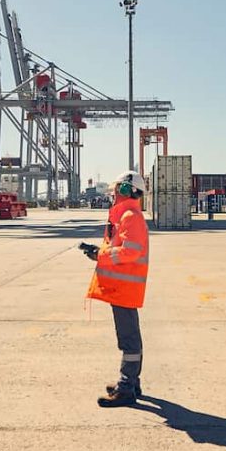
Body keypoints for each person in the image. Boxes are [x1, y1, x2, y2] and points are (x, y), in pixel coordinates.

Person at [81, 170, 150, 407]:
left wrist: (101, 255)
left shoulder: (131, 217)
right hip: (122, 286)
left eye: (117, 189)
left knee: (129, 341)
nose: (113, 193)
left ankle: (126, 388)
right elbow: (119, 248)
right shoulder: (123, 217)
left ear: (126, 190)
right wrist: (96, 254)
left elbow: (131, 251)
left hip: (125, 288)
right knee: (130, 337)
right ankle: (133, 383)